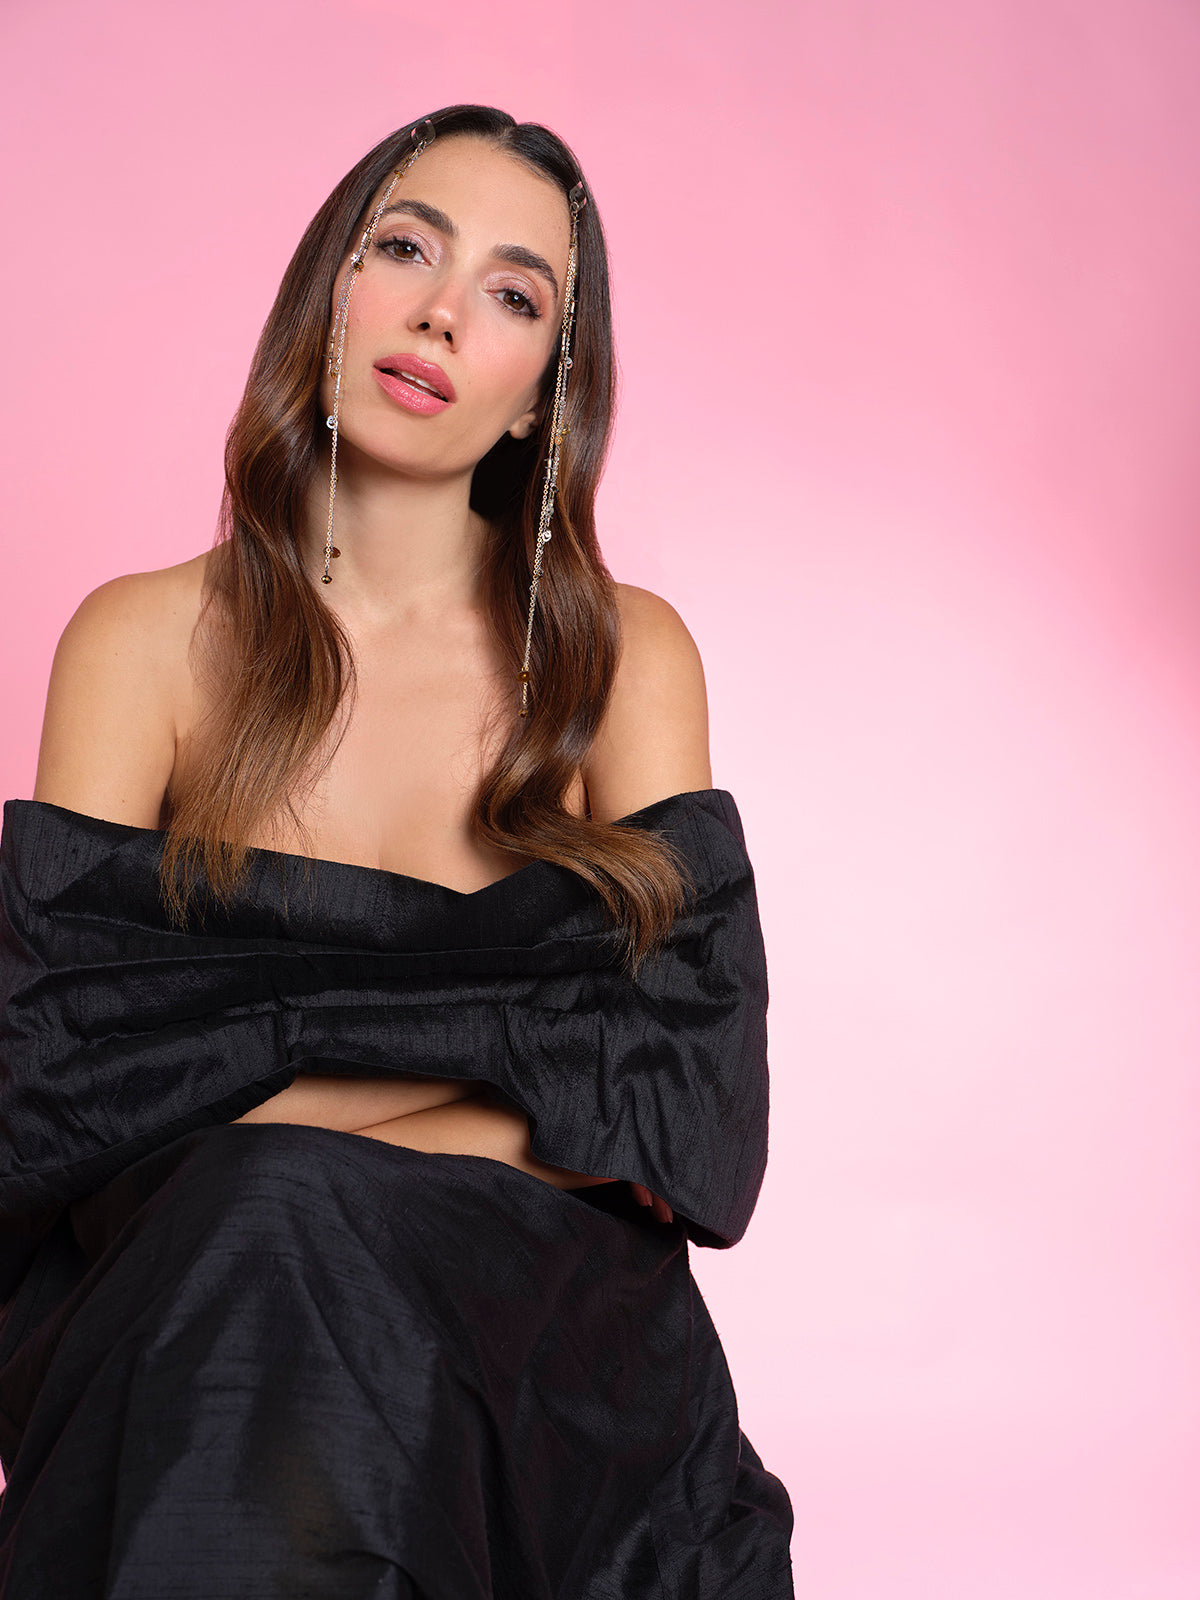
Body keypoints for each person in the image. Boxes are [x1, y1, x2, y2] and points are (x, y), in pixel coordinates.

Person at [0, 104, 795, 1596]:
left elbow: (687, 1114)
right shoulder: (140, 643)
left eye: (514, 295)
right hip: (208, 1318)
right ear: (331, 290)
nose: (440, 312)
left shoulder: (624, 662)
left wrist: (263, 1116)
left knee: (266, 1208)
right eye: (407, 248)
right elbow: (58, 1095)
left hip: (540, 1355)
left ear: (541, 398)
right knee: (255, 1239)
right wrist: (520, 1075)